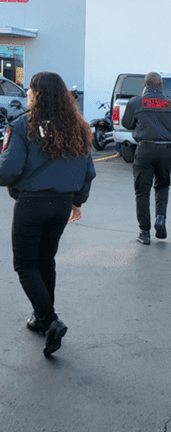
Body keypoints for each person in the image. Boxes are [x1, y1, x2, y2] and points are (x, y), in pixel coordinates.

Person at [0, 71, 96, 357]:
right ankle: (42, 318)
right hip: (62, 204)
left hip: (31, 204)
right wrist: (78, 201)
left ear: (38, 94)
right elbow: (88, 171)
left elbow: (7, 170)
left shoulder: (22, 126)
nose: (28, 94)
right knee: (45, 260)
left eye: (30, 89)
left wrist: (12, 182)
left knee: (26, 265)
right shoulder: (78, 127)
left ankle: (50, 319)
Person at [122, 72, 171, 245]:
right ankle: (160, 218)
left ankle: (144, 233)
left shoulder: (136, 102)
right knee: (162, 186)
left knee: (142, 191)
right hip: (165, 150)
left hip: (144, 149)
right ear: (161, 85)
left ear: (145, 85)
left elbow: (126, 123)